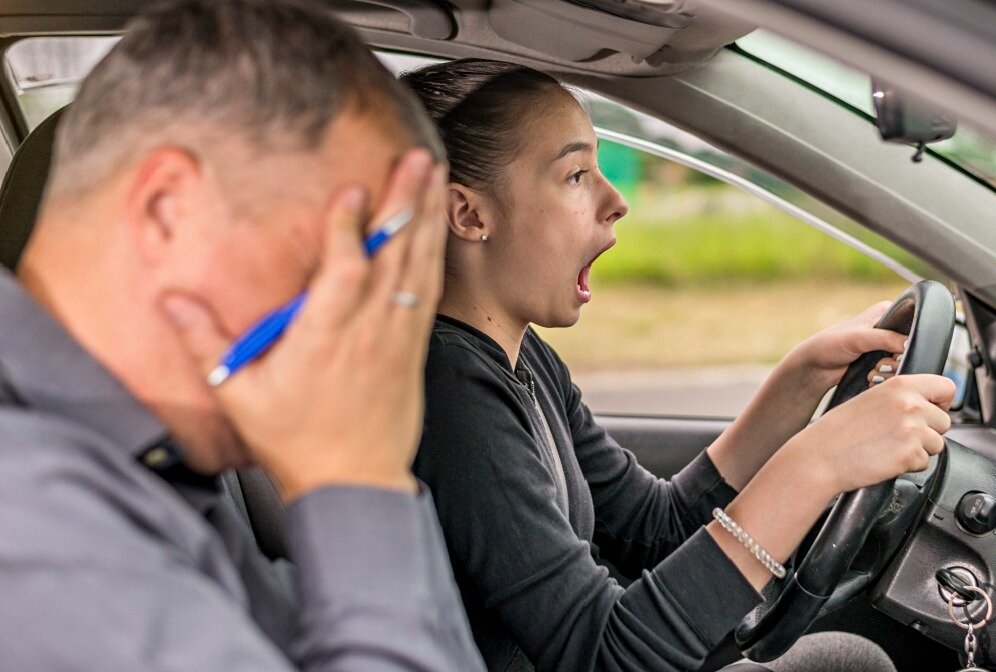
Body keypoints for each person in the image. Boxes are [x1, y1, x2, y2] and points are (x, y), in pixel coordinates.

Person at [0, 1, 485, 670]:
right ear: (168, 210)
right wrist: (356, 479)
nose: (365, 332)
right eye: (341, 267)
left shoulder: (146, 464)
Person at [401, 59, 955, 672]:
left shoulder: (520, 358)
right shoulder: (448, 391)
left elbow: (653, 528)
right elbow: (607, 656)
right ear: (469, 214)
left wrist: (802, 378)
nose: (616, 201)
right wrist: (817, 464)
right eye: (577, 174)